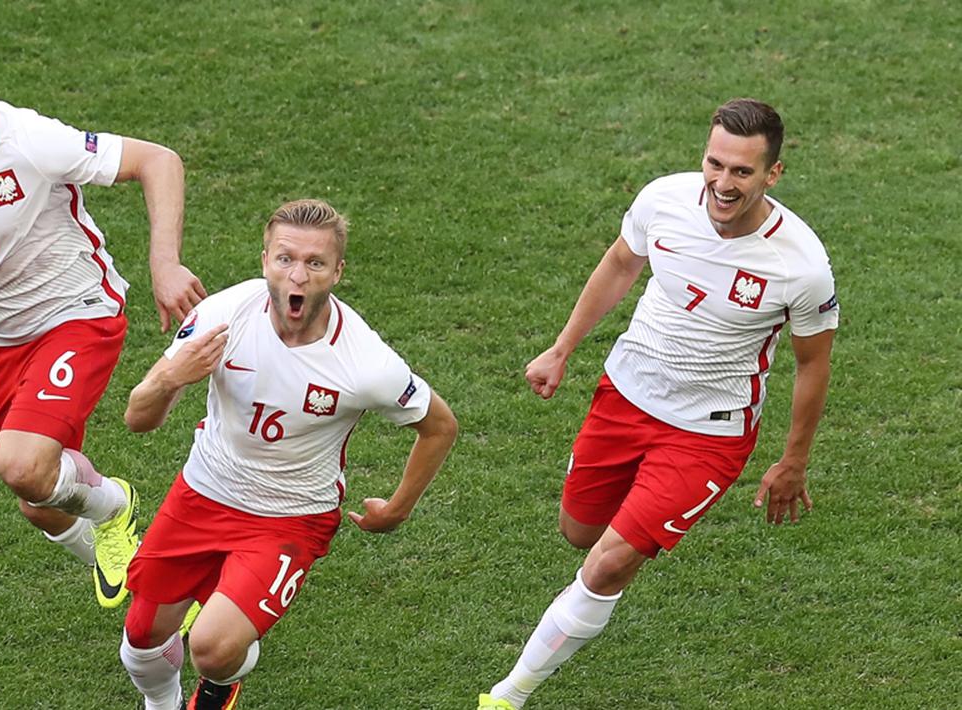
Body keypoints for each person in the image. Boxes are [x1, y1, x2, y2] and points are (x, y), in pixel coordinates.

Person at [478, 99, 839, 709]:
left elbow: (813, 364)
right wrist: (561, 349)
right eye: (715, 164)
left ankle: (507, 695)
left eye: (742, 172)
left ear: (772, 174)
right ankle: (627, 542)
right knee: (579, 532)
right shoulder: (663, 200)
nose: (723, 184)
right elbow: (622, 264)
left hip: (708, 432)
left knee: (606, 565)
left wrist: (794, 460)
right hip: (625, 395)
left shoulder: (800, 265)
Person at [0, 19, 206, 609]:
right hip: (0, 334)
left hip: (78, 308)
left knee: (22, 464)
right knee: (37, 499)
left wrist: (165, 264)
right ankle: (150, 593)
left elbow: (159, 161)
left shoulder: (24, 137)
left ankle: (116, 508)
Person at [116, 199, 458, 709]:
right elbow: (137, 420)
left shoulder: (365, 363)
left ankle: (223, 678)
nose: (297, 276)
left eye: (315, 263)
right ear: (265, 261)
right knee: (142, 640)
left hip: (290, 517)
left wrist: (398, 508)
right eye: (285, 258)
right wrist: (169, 379)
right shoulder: (222, 318)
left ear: (337, 272)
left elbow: (440, 426)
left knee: (211, 647)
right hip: (202, 493)